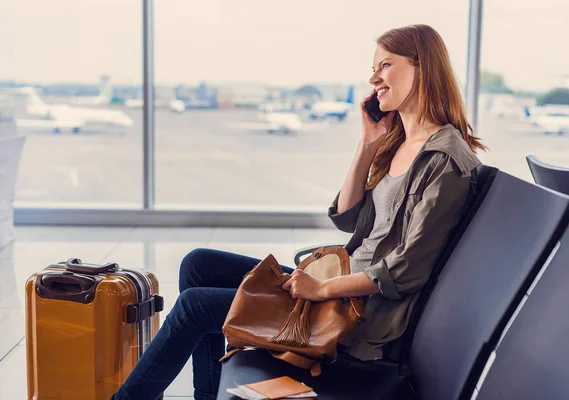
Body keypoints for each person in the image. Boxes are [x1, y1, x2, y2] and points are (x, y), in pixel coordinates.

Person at [110, 24, 486, 400]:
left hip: (356, 314)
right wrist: (367, 145)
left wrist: (321, 288)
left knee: (195, 307)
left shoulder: (444, 161)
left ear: (422, 68)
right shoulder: (400, 142)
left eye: (385, 65)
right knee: (198, 264)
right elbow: (348, 217)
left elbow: (405, 271)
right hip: (341, 286)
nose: (373, 78)